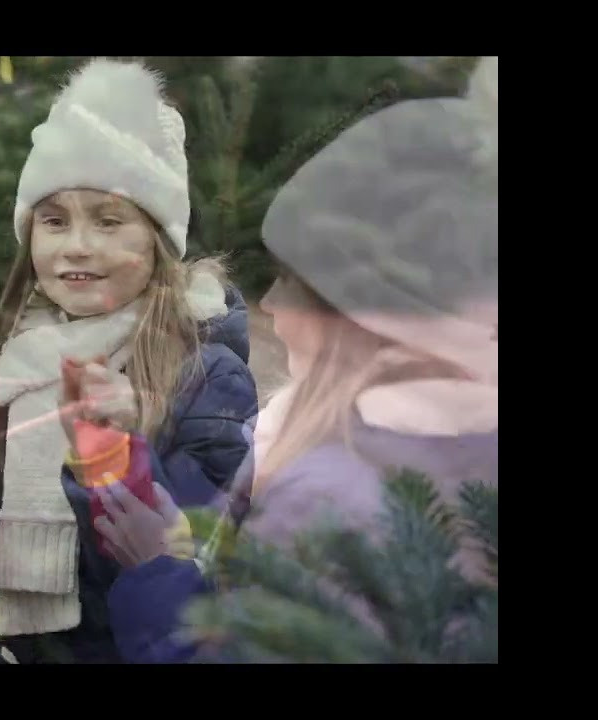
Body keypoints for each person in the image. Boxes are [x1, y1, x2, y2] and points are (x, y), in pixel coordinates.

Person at [95, 57, 499, 663]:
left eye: (291, 282)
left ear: (363, 313)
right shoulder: (456, 442)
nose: (271, 305)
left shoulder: (326, 497)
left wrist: (157, 572)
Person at [0, 58, 259, 664]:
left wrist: (118, 454)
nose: (76, 246)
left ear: (156, 242)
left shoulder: (204, 376)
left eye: (108, 221)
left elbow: (212, 548)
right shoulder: (10, 362)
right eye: (53, 221)